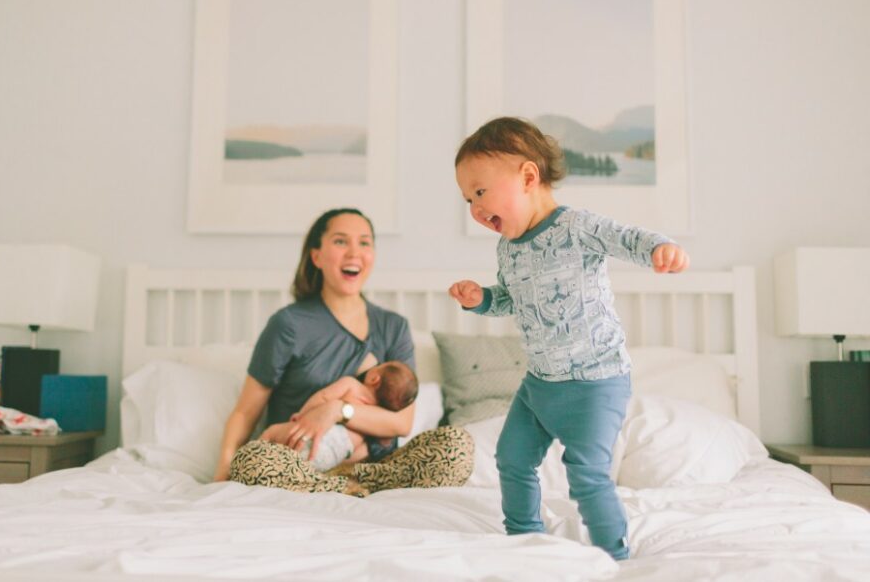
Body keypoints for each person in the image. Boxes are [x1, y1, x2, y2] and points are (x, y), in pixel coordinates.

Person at [448, 117, 690, 561]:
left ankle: (613, 553)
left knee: (586, 473)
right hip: (539, 385)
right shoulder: (508, 247)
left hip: (596, 381)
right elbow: (512, 300)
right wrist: (482, 299)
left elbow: (629, 238)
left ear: (527, 177)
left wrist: (660, 248)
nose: (475, 209)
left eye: (480, 192)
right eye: (467, 199)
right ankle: (523, 537)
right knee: (512, 458)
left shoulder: (576, 227)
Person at [214, 208, 473, 495]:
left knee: (456, 448)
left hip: (377, 467)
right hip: (300, 465)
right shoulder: (289, 324)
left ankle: (349, 485)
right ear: (316, 256)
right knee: (252, 461)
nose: (354, 252)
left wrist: (338, 410)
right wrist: (222, 476)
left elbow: (401, 422)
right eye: (340, 241)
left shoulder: (393, 327)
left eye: (364, 243)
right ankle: (333, 486)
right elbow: (244, 413)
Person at [260, 360, 419, 471]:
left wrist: (302, 415)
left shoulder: (352, 385)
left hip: (315, 438)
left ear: (374, 378)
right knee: (301, 469)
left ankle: (251, 460)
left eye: (380, 365)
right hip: (334, 457)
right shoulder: (374, 420)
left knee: (271, 432)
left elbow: (323, 397)